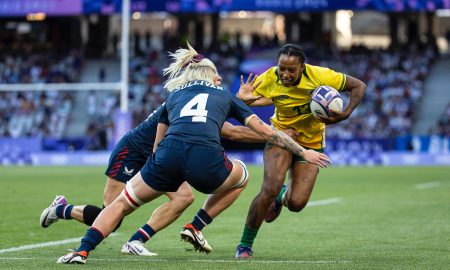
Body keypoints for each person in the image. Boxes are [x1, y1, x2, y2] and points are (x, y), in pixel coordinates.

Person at [56, 42, 331, 264]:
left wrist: (155, 167)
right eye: (217, 74)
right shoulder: (224, 95)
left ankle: (82, 251)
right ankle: (195, 225)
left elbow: (159, 140)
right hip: (201, 160)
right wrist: (302, 152)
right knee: (242, 176)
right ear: (210, 76)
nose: (221, 78)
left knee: (120, 205)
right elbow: (263, 130)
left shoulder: (173, 96)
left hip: (165, 156)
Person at [40, 81, 266, 256]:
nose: (218, 82)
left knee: (184, 197)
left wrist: (239, 103)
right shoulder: (192, 98)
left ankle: (136, 241)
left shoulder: (194, 98)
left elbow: (217, 114)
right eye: (216, 77)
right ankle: (61, 209)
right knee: (112, 214)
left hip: (163, 154)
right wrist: (272, 135)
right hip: (133, 150)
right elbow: (231, 130)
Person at [235, 44, 366, 258]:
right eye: (281, 69)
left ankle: (282, 195)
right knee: (268, 189)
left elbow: (359, 86)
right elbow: (248, 101)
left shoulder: (321, 76)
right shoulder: (269, 77)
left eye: (291, 70)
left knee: (296, 203)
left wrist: (346, 113)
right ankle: (244, 246)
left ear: (302, 67)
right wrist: (241, 98)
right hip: (282, 137)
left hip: (312, 143)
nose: (285, 74)